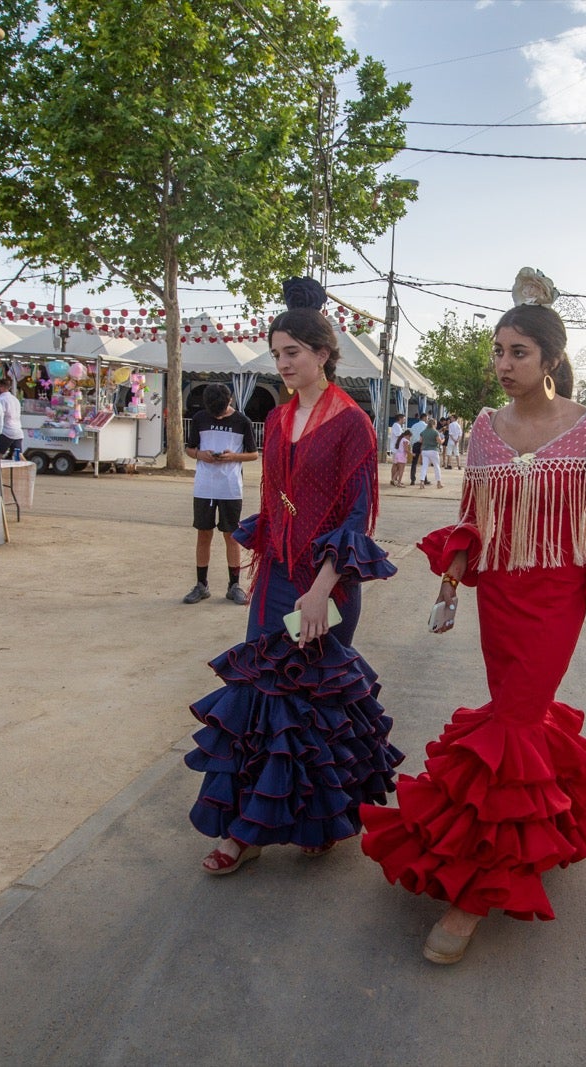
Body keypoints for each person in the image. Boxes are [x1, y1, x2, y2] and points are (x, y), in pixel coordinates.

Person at [360, 270, 586, 966]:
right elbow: (471, 518)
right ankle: (545, 817)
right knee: (513, 709)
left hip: (557, 595)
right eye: (497, 351)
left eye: (517, 352)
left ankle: (474, 894)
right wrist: (449, 586)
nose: (502, 365)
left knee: (517, 719)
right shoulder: (485, 432)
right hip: (498, 592)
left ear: (550, 358)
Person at [185, 277, 401, 874]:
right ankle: (241, 832)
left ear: (323, 354)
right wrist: (274, 570)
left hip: (327, 584)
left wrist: (322, 586)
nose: (282, 364)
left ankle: (316, 819)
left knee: (312, 705)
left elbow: (357, 515)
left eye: (293, 353)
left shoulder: (354, 422)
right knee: (257, 698)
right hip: (275, 576)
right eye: (277, 353)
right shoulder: (276, 421)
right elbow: (275, 499)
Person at [182, 383, 258, 606]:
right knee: (203, 533)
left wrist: (233, 456)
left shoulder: (242, 421)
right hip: (204, 486)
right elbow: (189, 448)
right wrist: (199, 454)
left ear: (230, 402)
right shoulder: (199, 418)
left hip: (230, 487)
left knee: (231, 535)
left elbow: (253, 454)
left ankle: (234, 585)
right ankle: (201, 585)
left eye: (221, 411)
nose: (217, 415)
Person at [0, 378, 25, 460]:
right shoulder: (15, 399)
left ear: (2, 388)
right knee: (18, 456)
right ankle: (25, 470)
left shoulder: (1, 400)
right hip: (18, 432)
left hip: (6, 432)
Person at [418, 415, 443, 488]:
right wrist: (443, 439)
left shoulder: (423, 432)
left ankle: (422, 482)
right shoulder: (435, 432)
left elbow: (420, 441)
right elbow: (440, 442)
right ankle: (438, 483)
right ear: (434, 424)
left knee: (424, 466)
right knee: (436, 466)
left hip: (424, 451)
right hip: (433, 450)